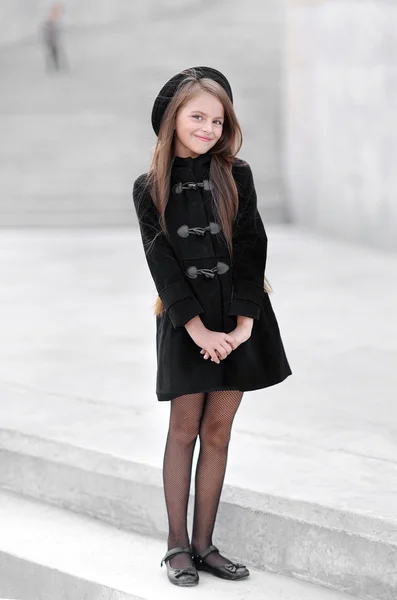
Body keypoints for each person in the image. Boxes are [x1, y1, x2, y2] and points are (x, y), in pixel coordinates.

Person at [132, 66, 292, 587]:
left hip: (239, 322)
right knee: (184, 431)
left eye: (217, 121)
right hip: (188, 327)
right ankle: (177, 546)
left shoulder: (235, 174)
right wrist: (198, 330)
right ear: (172, 118)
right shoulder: (149, 187)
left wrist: (245, 323)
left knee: (218, 431)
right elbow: (162, 265)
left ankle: (205, 545)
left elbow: (252, 246)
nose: (208, 128)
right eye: (197, 116)